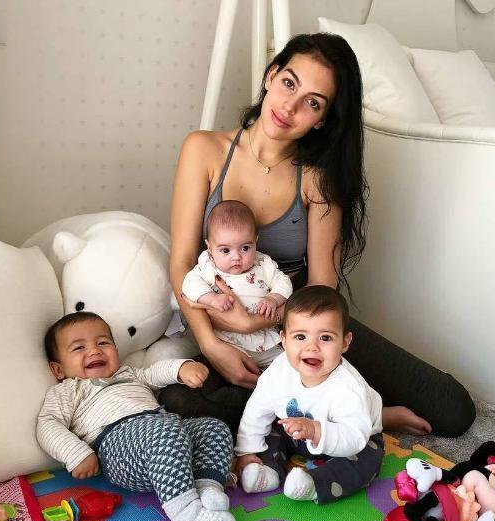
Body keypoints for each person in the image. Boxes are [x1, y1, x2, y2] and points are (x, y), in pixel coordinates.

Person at [160, 32, 475, 438]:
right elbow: (182, 261)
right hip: (218, 324)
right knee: (179, 401)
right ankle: (341, 413)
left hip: (303, 325)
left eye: (312, 103)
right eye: (289, 83)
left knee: (453, 409)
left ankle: (364, 413)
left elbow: (323, 284)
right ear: (271, 76)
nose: (289, 107)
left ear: (322, 119)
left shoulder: (318, 178)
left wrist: (277, 330)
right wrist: (211, 344)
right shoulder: (203, 149)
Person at [36, 311, 236, 521]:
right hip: (118, 448)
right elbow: (48, 424)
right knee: (166, 433)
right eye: (79, 348)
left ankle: (207, 488)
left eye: (103, 343)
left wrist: (181, 369)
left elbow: (155, 373)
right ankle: (186, 515)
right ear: (58, 370)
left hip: (168, 435)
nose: (94, 351)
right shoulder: (67, 390)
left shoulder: (128, 374)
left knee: (214, 428)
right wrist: (76, 454)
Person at [235, 285, 384, 504]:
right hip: (297, 432)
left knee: (366, 460)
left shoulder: (349, 388)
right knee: (272, 431)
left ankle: (314, 485)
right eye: (300, 336)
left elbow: (354, 436)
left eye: (325, 338)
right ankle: (266, 471)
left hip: (351, 439)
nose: (312, 347)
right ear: (284, 339)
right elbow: (257, 409)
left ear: (344, 342)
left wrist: (315, 430)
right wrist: (248, 451)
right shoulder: (278, 371)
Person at [182, 200, 293, 369]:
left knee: (288, 366)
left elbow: (284, 282)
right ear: (209, 247)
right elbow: (189, 283)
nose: (236, 257)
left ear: (255, 241)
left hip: (263, 341)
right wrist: (211, 299)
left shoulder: (263, 263)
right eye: (225, 250)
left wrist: (273, 299)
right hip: (226, 341)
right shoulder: (208, 266)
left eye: (245, 248)